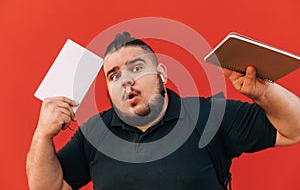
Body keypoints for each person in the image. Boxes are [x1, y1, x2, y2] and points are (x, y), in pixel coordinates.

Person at [26, 32, 300, 190]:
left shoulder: (208, 115)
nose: (126, 80)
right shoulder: (94, 133)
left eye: (136, 68)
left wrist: (263, 93)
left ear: (162, 74)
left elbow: (293, 130)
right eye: (113, 75)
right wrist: (42, 136)